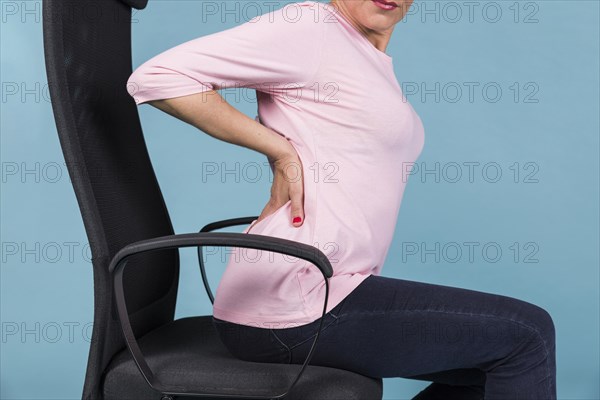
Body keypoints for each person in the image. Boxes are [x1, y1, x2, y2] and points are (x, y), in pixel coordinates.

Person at [126, 1, 557, 398]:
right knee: (527, 335)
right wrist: (279, 150)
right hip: (296, 300)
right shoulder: (312, 28)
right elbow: (156, 77)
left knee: (490, 364)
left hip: (330, 288)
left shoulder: (365, 57)